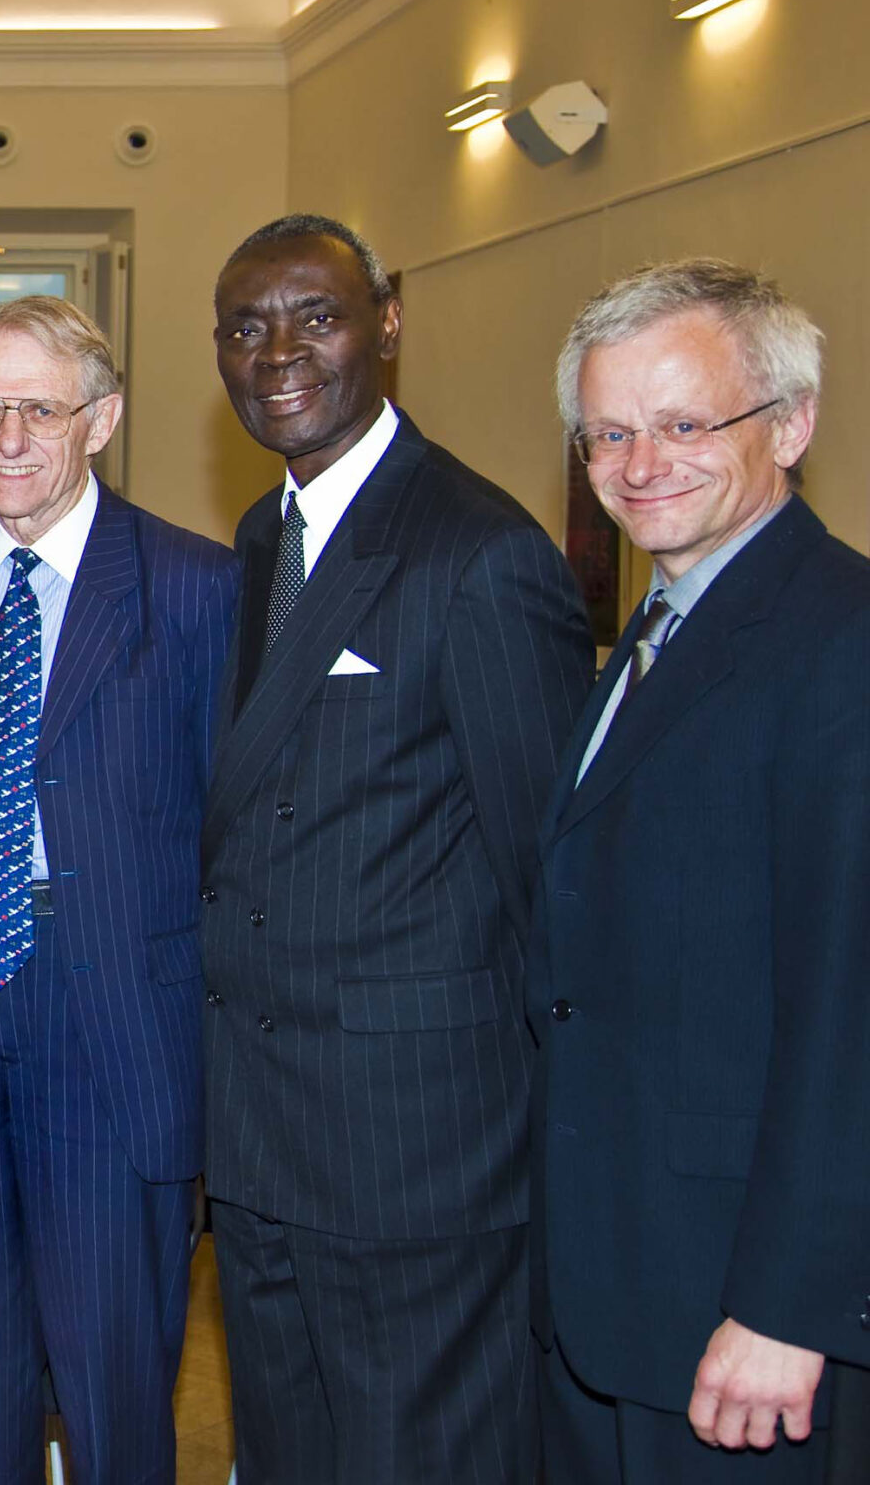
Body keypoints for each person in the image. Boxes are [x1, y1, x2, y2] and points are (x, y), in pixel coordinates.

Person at [201, 214, 592, 1483]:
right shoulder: (264, 543)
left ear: (388, 320)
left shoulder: (479, 553)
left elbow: (554, 877)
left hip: (417, 1155)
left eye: (314, 316)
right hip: (261, 1142)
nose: (278, 353)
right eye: (246, 326)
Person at [0, 297, 236, 1484]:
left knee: (113, 1376)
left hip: (108, 1013)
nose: (9, 437)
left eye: (40, 408)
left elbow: (239, 831)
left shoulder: (194, 591)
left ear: (104, 419)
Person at [533, 259, 870, 1481]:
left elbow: (852, 1010)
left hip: (746, 1321)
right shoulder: (653, 631)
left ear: (790, 423)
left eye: (684, 423)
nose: (639, 462)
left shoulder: (842, 643)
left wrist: (791, 1305)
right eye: (609, 432)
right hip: (610, 1290)